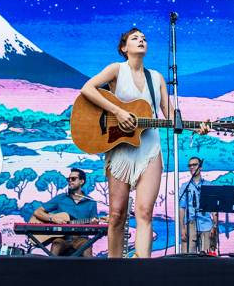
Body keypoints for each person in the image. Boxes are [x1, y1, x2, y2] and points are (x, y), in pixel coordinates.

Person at [80, 27, 209, 258]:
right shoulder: (115, 69)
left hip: (149, 150)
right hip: (120, 149)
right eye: (134, 38)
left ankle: (142, 272)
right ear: (124, 47)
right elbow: (87, 89)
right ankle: (115, 268)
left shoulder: (156, 77)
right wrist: (118, 112)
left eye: (144, 38)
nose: (141, 41)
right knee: (117, 214)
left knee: (144, 212)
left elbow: (170, 116)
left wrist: (195, 126)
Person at [32, 168, 100, 256]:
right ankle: (49, 269)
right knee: (56, 244)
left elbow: (94, 226)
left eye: (73, 179)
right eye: (69, 179)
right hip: (62, 238)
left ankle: (90, 270)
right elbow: (37, 212)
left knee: (87, 246)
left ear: (81, 181)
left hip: (81, 239)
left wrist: (94, 223)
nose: (70, 181)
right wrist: (53, 218)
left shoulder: (91, 202)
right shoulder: (61, 198)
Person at [178, 156, 218, 253]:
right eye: (190, 165)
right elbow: (181, 209)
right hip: (191, 224)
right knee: (187, 257)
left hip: (207, 224)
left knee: (207, 258)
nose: (192, 167)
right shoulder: (184, 186)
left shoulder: (209, 185)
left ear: (200, 167)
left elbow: (214, 208)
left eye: (194, 164)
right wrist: (182, 229)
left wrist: (214, 226)